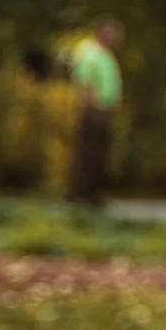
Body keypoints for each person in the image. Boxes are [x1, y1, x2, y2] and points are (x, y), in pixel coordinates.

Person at [67, 16, 124, 206]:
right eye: (112, 32)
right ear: (102, 32)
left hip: (105, 108)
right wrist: (90, 105)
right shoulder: (89, 53)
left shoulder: (105, 53)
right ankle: (81, 194)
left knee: (99, 152)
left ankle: (94, 193)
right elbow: (84, 80)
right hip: (94, 109)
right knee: (89, 152)